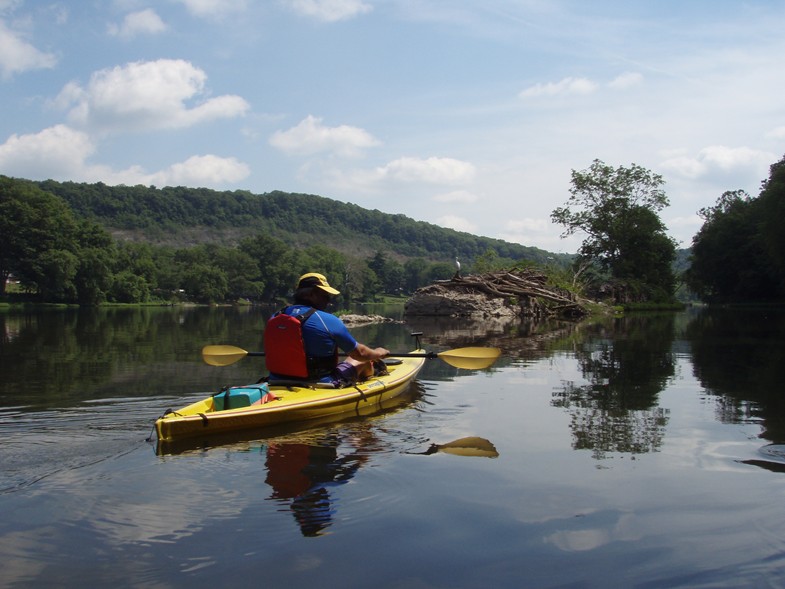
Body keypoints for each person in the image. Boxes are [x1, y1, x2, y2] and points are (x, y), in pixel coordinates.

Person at [265, 272, 389, 386]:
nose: (329, 300)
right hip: (321, 382)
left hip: (276, 379)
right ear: (311, 294)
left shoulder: (275, 317)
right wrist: (378, 353)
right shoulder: (328, 320)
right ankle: (371, 381)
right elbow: (360, 354)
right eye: (325, 296)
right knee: (364, 361)